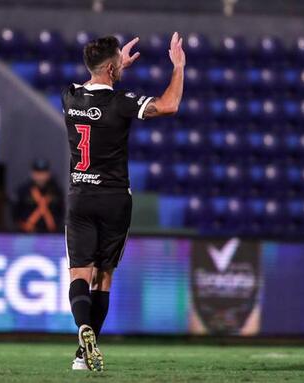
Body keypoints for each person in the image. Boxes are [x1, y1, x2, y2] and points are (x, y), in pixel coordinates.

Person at [61, 32, 185, 371]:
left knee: (79, 274)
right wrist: (178, 67)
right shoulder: (121, 102)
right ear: (113, 69)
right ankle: (83, 354)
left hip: (80, 196)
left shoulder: (69, 97)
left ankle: (82, 328)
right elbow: (169, 104)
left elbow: (97, 84)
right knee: (103, 278)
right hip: (115, 199)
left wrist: (116, 67)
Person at [13, 158, 64, 233]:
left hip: (51, 234)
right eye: (38, 173)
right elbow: (15, 212)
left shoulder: (56, 191)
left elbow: (61, 211)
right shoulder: (23, 191)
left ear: (48, 174)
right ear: (32, 173)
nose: (41, 177)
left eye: (43, 173)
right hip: (27, 233)